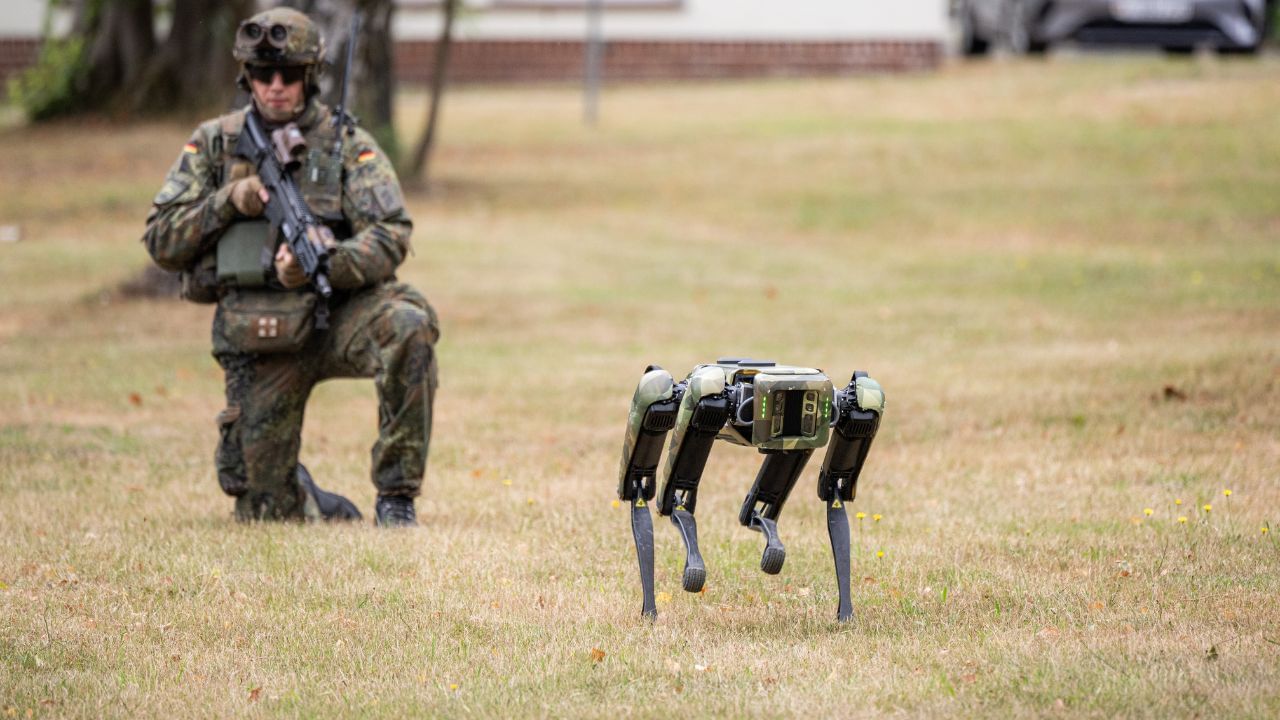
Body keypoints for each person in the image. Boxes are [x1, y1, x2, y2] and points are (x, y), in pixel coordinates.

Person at [141, 8, 438, 526]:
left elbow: (393, 232)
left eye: (289, 74)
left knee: (408, 325)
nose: (275, 86)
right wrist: (229, 201)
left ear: (310, 75)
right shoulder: (215, 142)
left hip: (337, 314)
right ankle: (304, 495)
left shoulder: (345, 143)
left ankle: (396, 496)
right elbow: (161, 239)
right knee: (262, 508)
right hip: (260, 333)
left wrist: (332, 263)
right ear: (246, 76)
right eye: (262, 74)